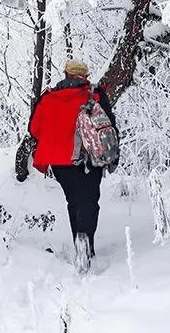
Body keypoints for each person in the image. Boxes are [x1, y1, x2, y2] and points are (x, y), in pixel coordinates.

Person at [26, 60, 118, 272]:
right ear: (85, 75)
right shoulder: (94, 95)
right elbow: (108, 126)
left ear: (66, 73)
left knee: (73, 201)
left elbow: (34, 129)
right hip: (87, 159)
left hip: (59, 162)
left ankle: (79, 242)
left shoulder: (48, 98)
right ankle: (85, 241)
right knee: (90, 202)